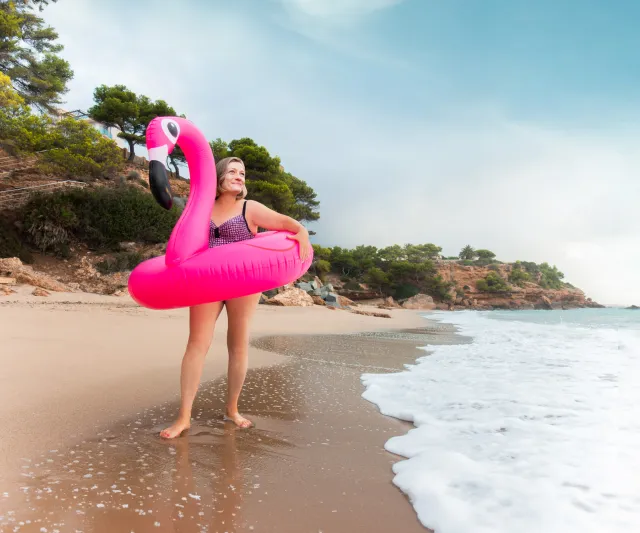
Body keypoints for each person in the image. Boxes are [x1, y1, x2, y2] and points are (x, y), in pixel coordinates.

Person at [160, 156, 311, 438]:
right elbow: (182, 241)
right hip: (207, 281)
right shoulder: (201, 208)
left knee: (238, 344)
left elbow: (285, 223)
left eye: (242, 172)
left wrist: (301, 232)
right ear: (218, 176)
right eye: (232, 171)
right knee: (196, 344)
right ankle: (184, 417)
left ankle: (232, 410)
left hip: (244, 281)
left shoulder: (249, 208)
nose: (239, 176)